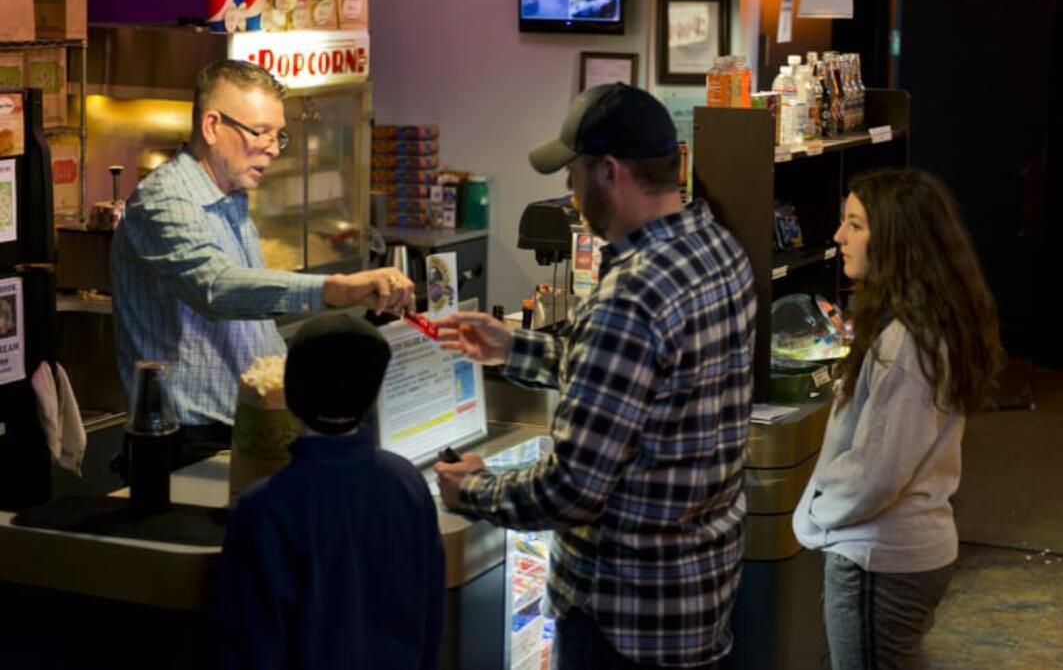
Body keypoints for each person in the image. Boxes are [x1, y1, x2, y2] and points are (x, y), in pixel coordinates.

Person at [434, 83, 756, 670]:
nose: (569, 191)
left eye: (573, 174)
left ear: (609, 172)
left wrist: (471, 490)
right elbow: (644, 384)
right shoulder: (716, 247)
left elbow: (571, 491)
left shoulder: (630, 296)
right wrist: (516, 348)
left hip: (624, 621)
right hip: (700, 594)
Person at [110, 60, 413, 461]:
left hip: (246, 427)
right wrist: (335, 289)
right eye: (261, 132)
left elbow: (253, 327)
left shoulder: (231, 196)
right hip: (189, 442)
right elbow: (216, 289)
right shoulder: (164, 200)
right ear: (213, 126)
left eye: (279, 135)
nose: (272, 147)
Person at [791, 168, 1005, 670]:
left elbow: (878, 472)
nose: (840, 237)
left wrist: (816, 517)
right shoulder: (922, 324)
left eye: (856, 225)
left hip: (879, 559)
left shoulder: (907, 342)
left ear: (896, 241)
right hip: (903, 550)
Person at [216, 311, 445, 670]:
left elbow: (253, 644)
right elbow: (431, 619)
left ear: (291, 393)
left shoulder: (263, 507)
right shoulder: (408, 483)